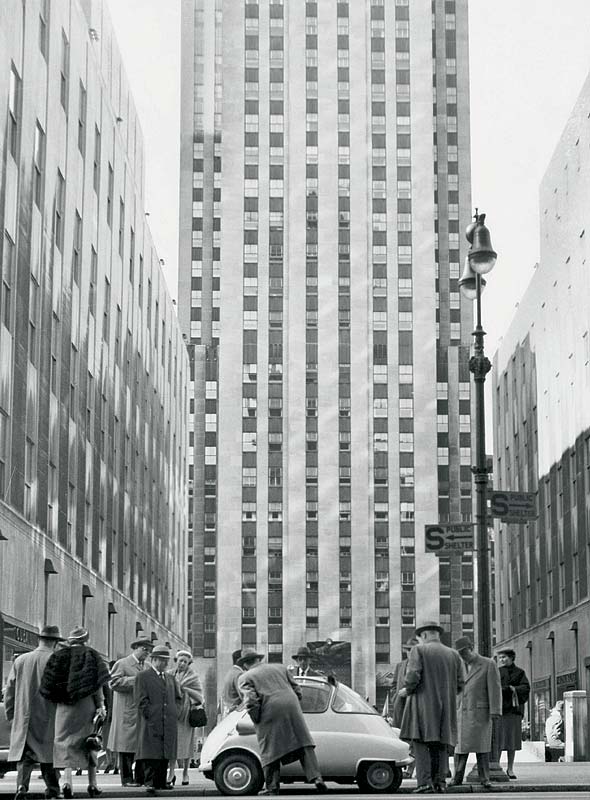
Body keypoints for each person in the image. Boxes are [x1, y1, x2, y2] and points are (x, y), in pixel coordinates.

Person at [238, 649, 327, 796]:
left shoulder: (245, 677)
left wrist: (257, 719)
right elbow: (297, 689)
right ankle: (317, 778)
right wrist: (294, 705)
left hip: (269, 708)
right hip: (292, 705)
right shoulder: (280, 667)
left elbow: (251, 700)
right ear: (258, 660)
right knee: (303, 742)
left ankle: (272, 787)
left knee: (269, 747)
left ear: (246, 664)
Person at [40, 627, 109, 799]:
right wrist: (101, 705)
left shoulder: (58, 656)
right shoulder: (93, 655)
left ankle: (67, 782)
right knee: (90, 741)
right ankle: (92, 784)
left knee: (64, 743)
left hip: (64, 706)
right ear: (86, 640)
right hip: (87, 705)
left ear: (70, 640)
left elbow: (48, 683)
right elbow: (98, 685)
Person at [398, 620, 464, 794]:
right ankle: (440, 782)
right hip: (446, 707)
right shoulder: (453, 654)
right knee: (441, 745)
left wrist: (407, 690)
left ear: (424, 635)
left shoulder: (418, 650)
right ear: (437, 634)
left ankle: (424, 783)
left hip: (422, 705)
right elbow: (461, 683)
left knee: (420, 745)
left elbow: (413, 675)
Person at [4, 625, 64, 800]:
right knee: (48, 756)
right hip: (49, 715)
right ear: (55, 642)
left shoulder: (21, 660)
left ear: (40, 640)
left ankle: (22, 786)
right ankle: (53, 790)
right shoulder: (57, 660)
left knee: (25, 755)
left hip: (24, 715)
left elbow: (10, 691)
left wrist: (11, 714)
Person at [450, 637, 502, 790]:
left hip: (480, 712)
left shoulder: (488, 664)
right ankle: (457, 777)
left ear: (471, 648)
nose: (462, 656)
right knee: (459, 749)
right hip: (461, 712)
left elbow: (495, 688)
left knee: (482, 748)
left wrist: (495, 711)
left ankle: (485, 778)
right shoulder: (458, 666)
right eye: (459, 654)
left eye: (464, 652)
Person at [134, 645, 182, 796]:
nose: (165, 664)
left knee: (164, 752)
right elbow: (140, 700)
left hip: (168, 721)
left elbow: (178, 698)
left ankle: (161, 782)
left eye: (166, 660)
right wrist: (149, 714)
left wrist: (175, 712)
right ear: (153, 660)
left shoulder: (170, 678)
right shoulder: (143, 677)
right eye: (162, 660)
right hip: (151, 721)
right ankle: (150, 783)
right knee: (151, 752)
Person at [108, 638, 154, 786]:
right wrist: (137, 680)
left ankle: (139, 778)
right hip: (126, 711)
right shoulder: (122, 664)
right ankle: (127, 779)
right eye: (144, 649)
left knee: (141, 745)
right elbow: (113, 683)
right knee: (126, 747)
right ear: (136, 648)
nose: (147, 652)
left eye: (149, 650)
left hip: (141, 712)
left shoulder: (147, 666)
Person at [166, 650, 203, 786]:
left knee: (186, 744)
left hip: (187, 714)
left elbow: (200, 696)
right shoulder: (169, 674)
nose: (182, 663)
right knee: (171, 743)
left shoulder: (193, 677)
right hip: (172, 712)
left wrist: (185, 690)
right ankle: (171, 772)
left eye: (185, 662)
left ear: (189, 664)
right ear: (176, 660)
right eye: (180, 660)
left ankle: (186, 772)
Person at [495, 648, 530, 779]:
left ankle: (510, 768)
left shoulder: (520, 673)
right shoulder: (497, 672)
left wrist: (512, 689)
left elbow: (526, 688)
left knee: (511, 743)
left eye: (504, 657)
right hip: (501, 711)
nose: (502, 660)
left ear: (511, 658)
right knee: (498, 741)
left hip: (513, 712)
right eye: (500, 658)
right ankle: (497, 765)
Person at [220, 649, 243, 718]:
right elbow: (245, 698)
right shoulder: (239, 674)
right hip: (235, 714)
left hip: (227, 713)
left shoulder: (231, 672)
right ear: (239, 660)